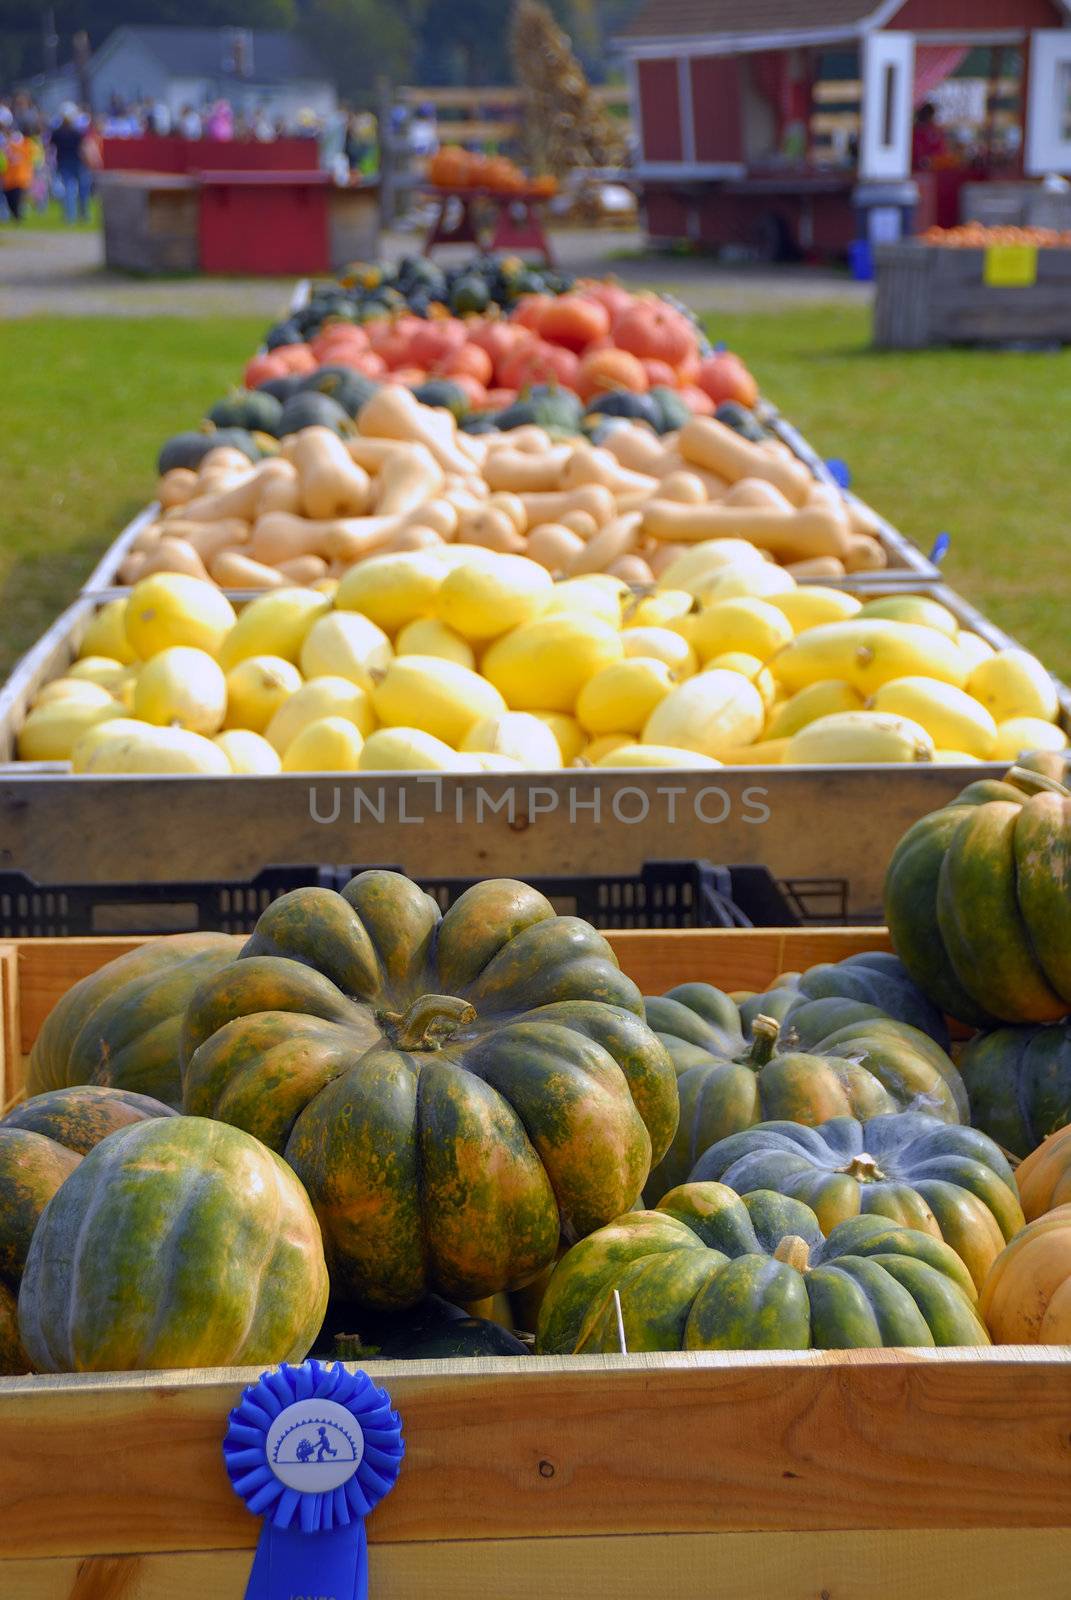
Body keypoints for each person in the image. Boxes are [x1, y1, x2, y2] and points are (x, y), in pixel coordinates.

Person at [51, 103, 89, 223]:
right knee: (82, 189)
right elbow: (83, 149)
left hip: (63, 162)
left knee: (69, 189)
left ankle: (70, 216)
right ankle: (83, 214)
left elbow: (51, 147)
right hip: (78, 163)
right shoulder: (77, 132)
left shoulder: (57, 132)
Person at [1, 110, 34, 221]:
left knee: (17, 198)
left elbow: (30, 154)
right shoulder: (5, 142)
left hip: (19, 175)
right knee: (10, 198)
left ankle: (18, 216)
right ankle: (14, 215)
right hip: (7, 176)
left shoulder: (21, 141)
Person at [912, 102, 947, 172]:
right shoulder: (918, 132)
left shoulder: (935, 131)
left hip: (933, 168)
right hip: (919, 168)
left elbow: (941, 152)